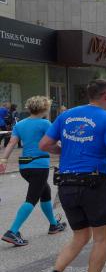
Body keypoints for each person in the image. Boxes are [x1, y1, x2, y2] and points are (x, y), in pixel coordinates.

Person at [36, 79, 106, 272]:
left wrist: (64, 150)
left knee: (80, 235)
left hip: (66, 184)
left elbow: (44, 145)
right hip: (94, 184)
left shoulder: (66, 116)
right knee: (101, 239)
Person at [0, 96, 66, 246]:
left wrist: (3, 160)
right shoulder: (45, 123)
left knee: (45, 193)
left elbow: (11, 143)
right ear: (44, 109)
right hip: (39, 165)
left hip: (24, 166)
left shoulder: (20, 124)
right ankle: (12, 231)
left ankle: (54, 224)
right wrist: (66, 151)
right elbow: (54, 142)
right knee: (31, 199)